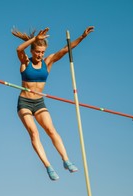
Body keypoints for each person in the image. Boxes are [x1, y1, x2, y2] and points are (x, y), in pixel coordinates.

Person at [12, 26, 94, 181]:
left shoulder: (47, 62)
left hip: (39, 102)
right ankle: (48, 166)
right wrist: (34, 40)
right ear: (32, 51)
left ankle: (66, 160)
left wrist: (82, 37)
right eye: (38, 51)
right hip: (24, 103)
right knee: (34, 132)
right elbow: (18, 49)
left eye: (42, 52)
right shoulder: (25, 62)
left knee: (51, 130)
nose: (40, 55)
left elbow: (65, 50)